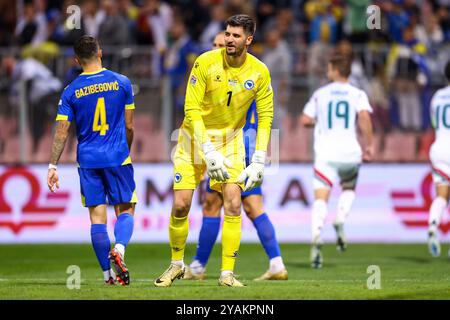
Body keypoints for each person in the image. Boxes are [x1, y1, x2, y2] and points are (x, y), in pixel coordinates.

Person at [154, 14, 274, 288]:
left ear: (249, 40)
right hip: (192, 139)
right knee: (182, 204)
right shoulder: (205, 62)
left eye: (235, 36)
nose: (229, 40)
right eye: (227, 34)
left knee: (233, 203)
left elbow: (266, 116)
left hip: (230, 141)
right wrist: (207, 150)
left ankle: (227, 274)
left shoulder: (259, 71)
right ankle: (176, 265)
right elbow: (191, 108)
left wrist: (257, 159)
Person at [183, 31, 287, 281]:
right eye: (217, 44)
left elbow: (260, 115)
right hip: (232, 145)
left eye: (224, 43)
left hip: (238, 146)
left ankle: (201, 267)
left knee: (235, 205)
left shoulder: (246, 76)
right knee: (228, 204)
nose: (220, 48)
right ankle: (275, 263)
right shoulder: (217, 71)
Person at [47, 36, 137, 285]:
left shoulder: (70, 91)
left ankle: (107, 276)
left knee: (97, 217)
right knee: (126, 209)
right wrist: (124, 149)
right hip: (117, 155)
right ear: (101, 52)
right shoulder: (122, 83)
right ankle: (118, 250)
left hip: (88, 160)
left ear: (76, 60)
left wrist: (53, 165)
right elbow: (129, 126)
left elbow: (62, 131)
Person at [301, 54, 374, 269]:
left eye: (329, 67)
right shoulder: (357, 93)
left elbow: (305, 120)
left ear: (334, 70)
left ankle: (316, 238)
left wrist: (317, 122)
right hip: (349, 152)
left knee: (320, 199)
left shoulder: (320, 94)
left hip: (325, 153)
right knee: (349, 188)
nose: (327, 70)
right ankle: (341, 217)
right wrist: (369, 146)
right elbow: (364, 118)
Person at [427, 61, 450, 258]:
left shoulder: (437, 96)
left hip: (439, 147)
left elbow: (434, 122)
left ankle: (433, 224)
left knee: (441, 196)